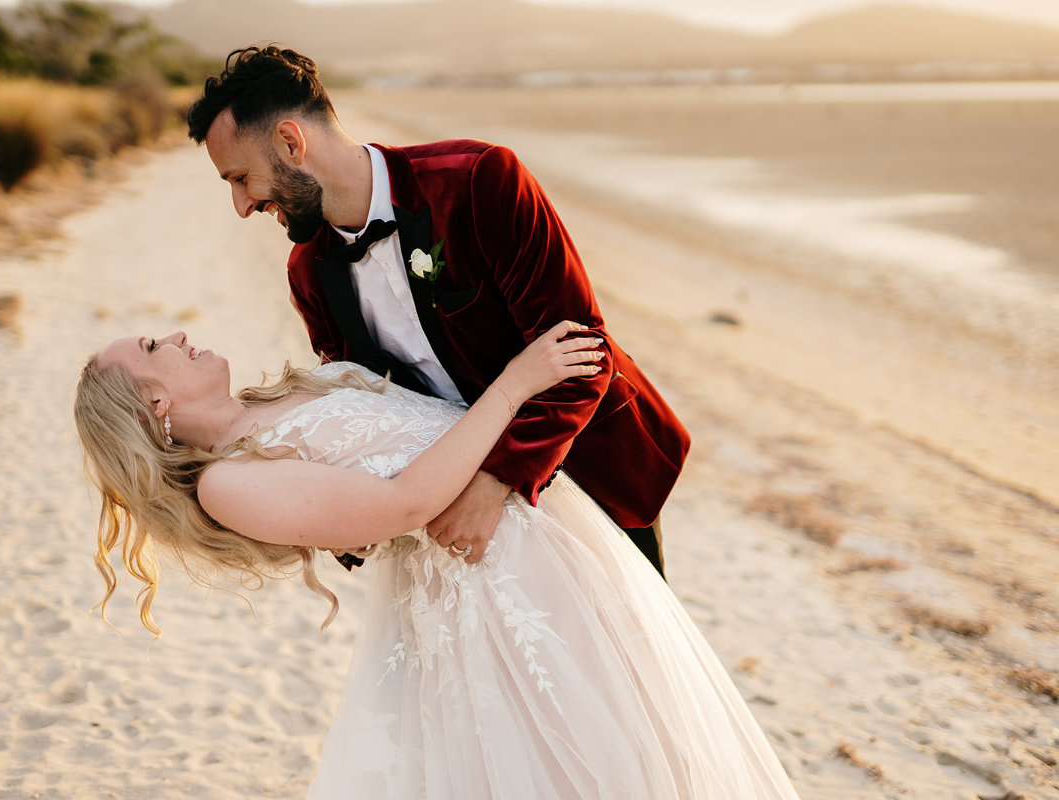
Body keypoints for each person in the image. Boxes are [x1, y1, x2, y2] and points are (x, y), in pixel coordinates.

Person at [73, 325, 800, 799]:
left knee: (645, 739)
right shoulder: (227, 483)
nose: (174, 336)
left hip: (547, 544)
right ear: (156, 400)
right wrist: (516, 384)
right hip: (491, 587)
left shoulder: (277, 395)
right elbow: (404, 504)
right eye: (150, 348)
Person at [184, 46, 690, 575]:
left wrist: (496, 479)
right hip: (456, 519)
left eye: (241, 179)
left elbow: (581, 348)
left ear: (291, 143)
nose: (242, 207)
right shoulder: (308, 271)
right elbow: (361, 400)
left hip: (590, 466)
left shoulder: (478, 180)